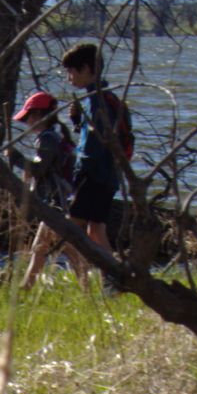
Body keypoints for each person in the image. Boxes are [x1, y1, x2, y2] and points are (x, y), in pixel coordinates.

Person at [60, 42, 125, 274]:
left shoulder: (95, 101)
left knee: (69, 233)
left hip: (93, 177)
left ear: (86, 69)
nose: (69, 78)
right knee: (96, 231)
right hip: (109, 177)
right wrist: (78, 123)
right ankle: (116, 278)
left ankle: (85, 286)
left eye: (71, 71)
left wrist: (76, 176)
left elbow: (92, 148)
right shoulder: (109, 98)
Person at [13, 90, 79, 288]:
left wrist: (15, 157)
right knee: (50, 247)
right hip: (60, 200)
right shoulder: (56, 135)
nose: (27, 122)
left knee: (47, 247)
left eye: (28, 117)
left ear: (39, 116)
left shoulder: (47, 139)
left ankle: (26, 288)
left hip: (55, 201)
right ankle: (27, 286)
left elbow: (40, 170)